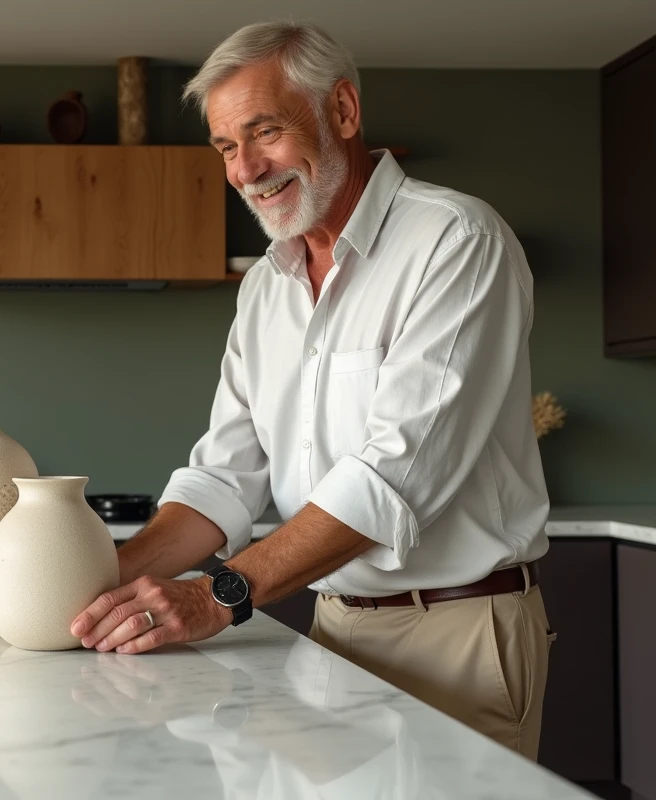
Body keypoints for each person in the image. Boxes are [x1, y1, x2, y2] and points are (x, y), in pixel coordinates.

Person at [70, 20, 554, 760]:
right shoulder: (266, 288)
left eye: (265, 132)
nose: (246, 169)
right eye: (225, 147)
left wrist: (216, 595)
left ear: (343, 111)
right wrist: (98, 583)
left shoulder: (457, 241)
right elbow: (224, 478)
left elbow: (393, 478)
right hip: (330, 626)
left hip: (458, 634)